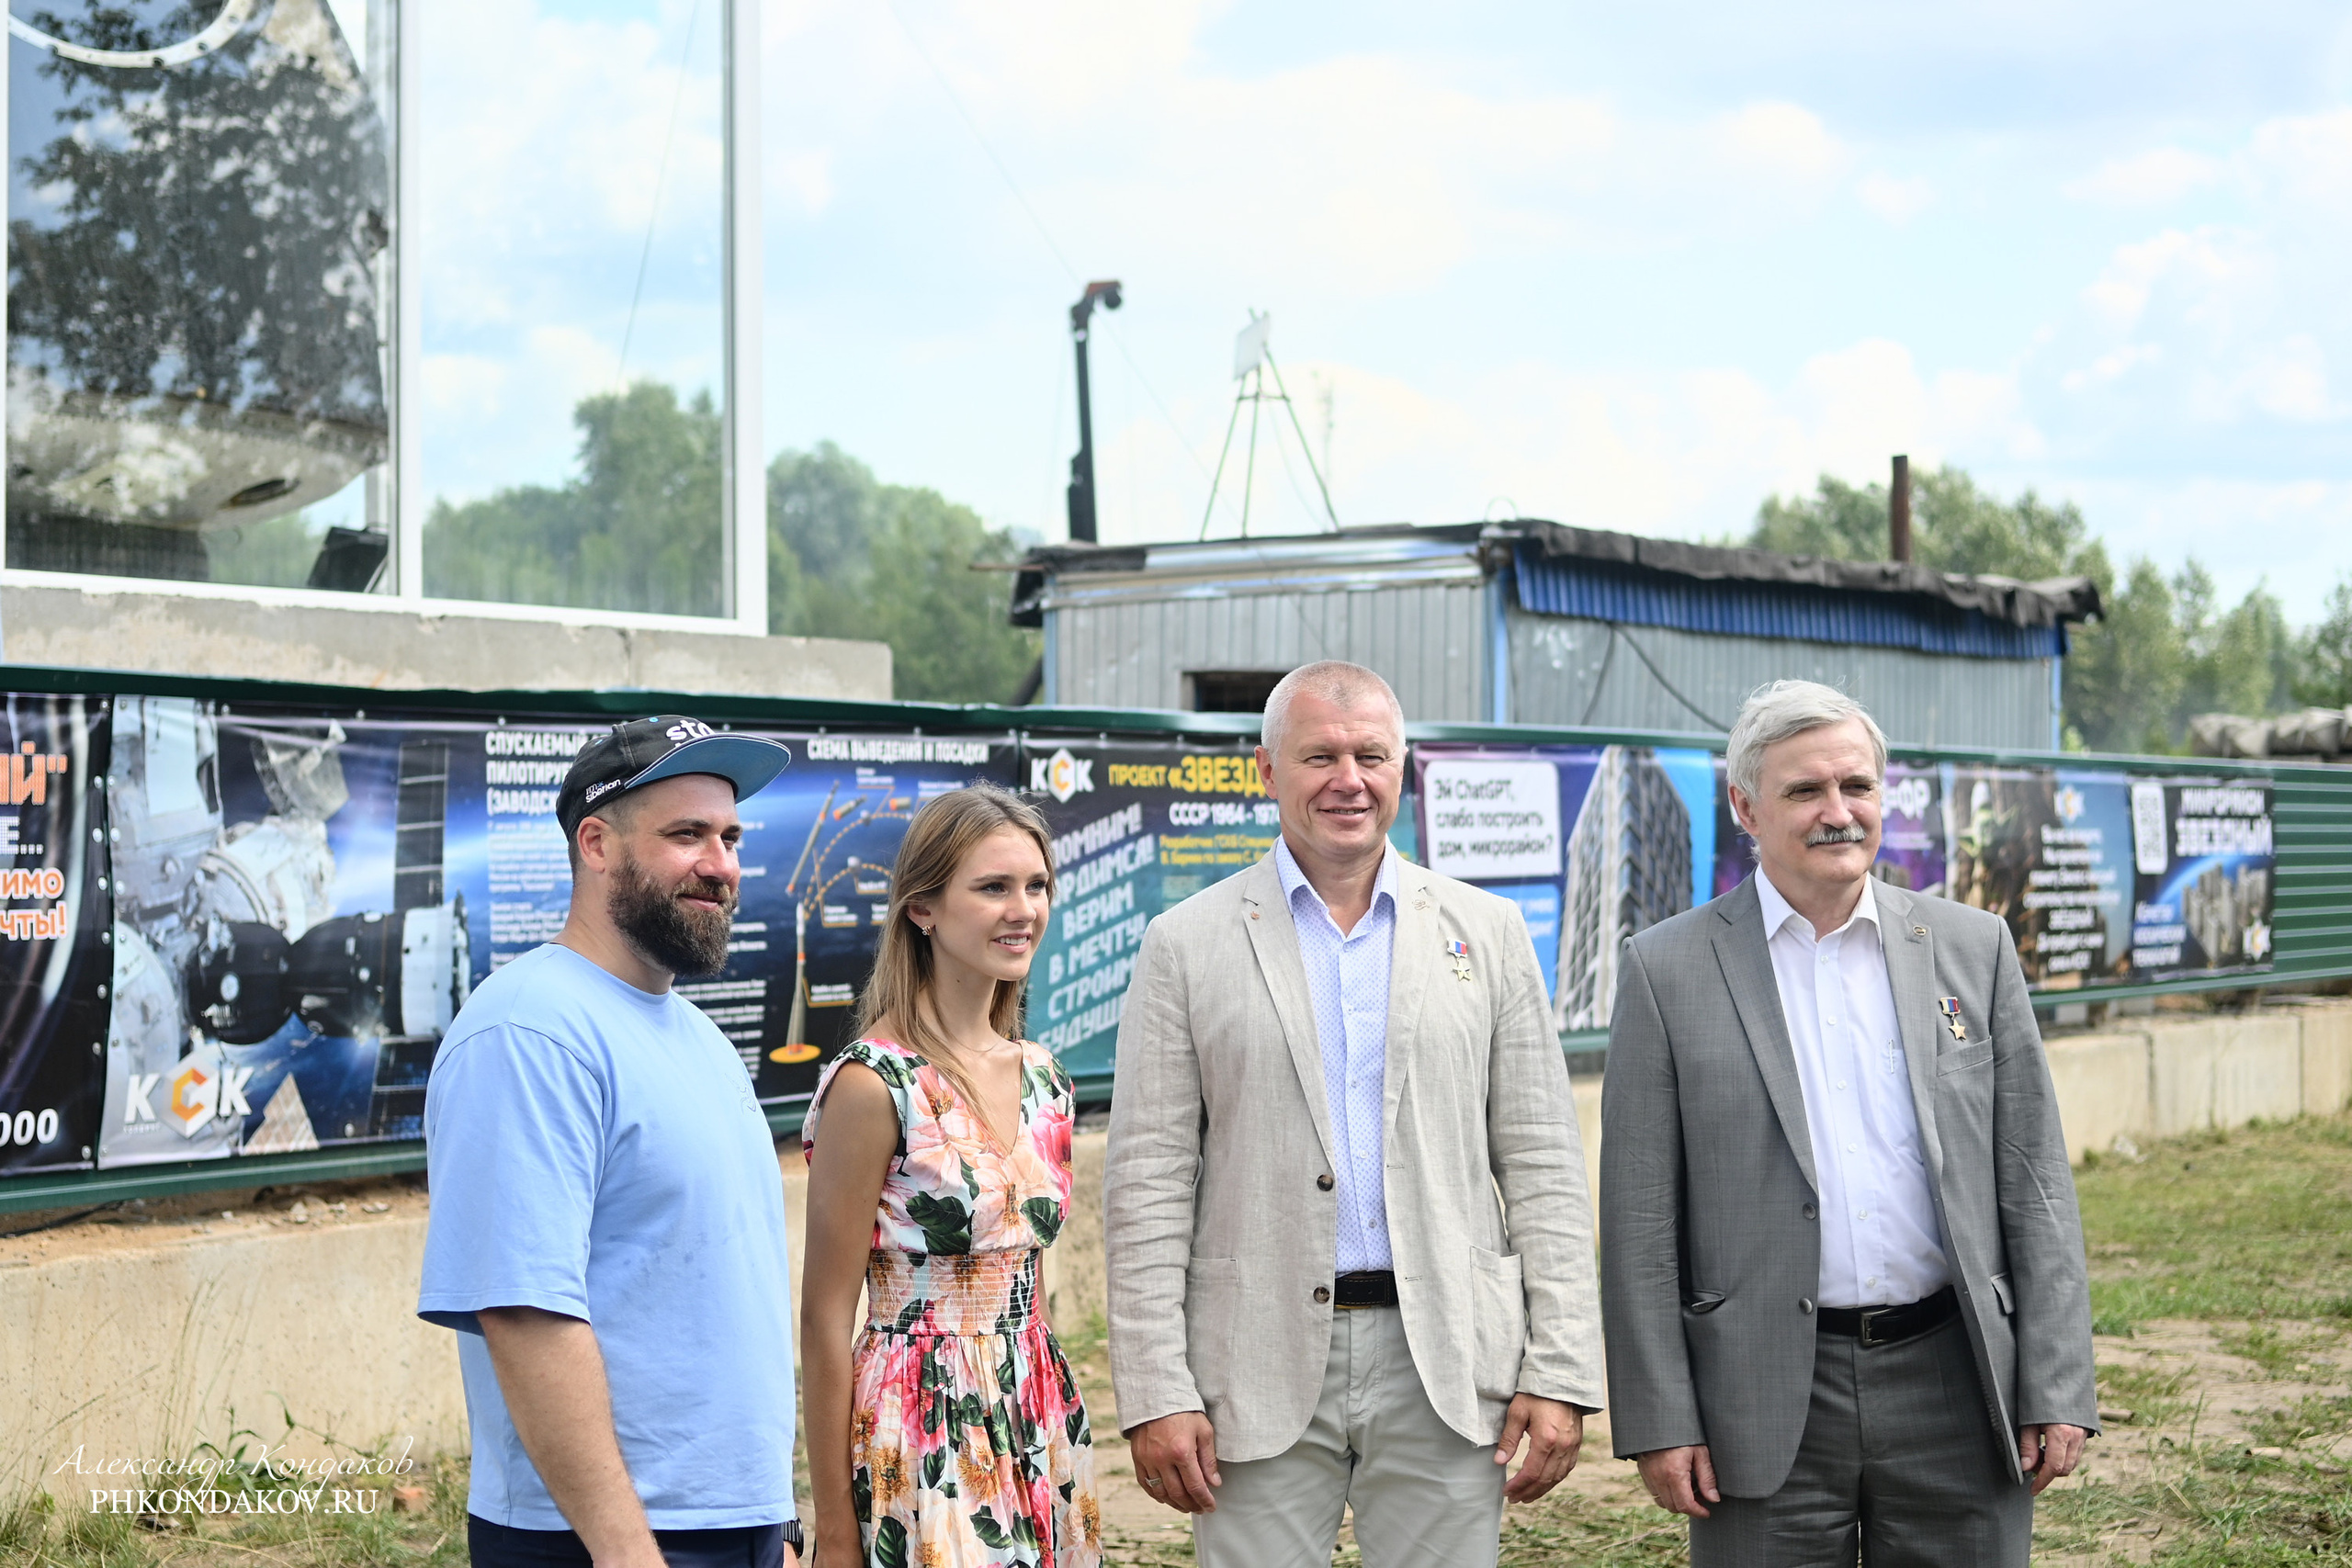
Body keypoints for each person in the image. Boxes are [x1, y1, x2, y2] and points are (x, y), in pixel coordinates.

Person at [1102, 660, 1604, 1568]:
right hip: (1248, 1368)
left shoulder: (1485, 933)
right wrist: (1153, 1389)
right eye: (1319, 756)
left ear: (1402, 768)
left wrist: (1561, 1367)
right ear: (1265, 772)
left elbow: (1542, 1168)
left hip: (1446, 1360)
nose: (1348, 779)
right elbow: (1145, 1183)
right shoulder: (1185, 945)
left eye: (1370, 755)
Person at [1600, 680, 2098, 1567]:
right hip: (1758, 1394)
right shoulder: (1664, 969)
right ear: (1745, 806)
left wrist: (2056, 1381)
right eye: (1806, 791)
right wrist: (1661, 1415)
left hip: (1956, 1378)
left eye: (1857, 786)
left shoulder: (1972, 948)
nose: (1839, 812)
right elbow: (1640, 1221)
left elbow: (2035, 1181)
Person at [417, 715, 803, 1568]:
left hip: (732, 1528)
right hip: (598, 1540)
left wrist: (771, 1520)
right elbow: (524, 1310)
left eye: (731, 835)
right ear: (596, 842)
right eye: (686, 834)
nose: (722, 864)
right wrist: (629, 1553)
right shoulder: (528, 1030)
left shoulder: (699, 1039)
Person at [798, 784, 1099, 1568]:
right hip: (917, 1414)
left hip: (1034, 1402)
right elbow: (826, 1317)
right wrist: (835, 1532)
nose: (1023, 909)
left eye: (1036, 886)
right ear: (922, 908)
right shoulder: (874, 1084)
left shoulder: (1046, 1078)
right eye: (993, 886)